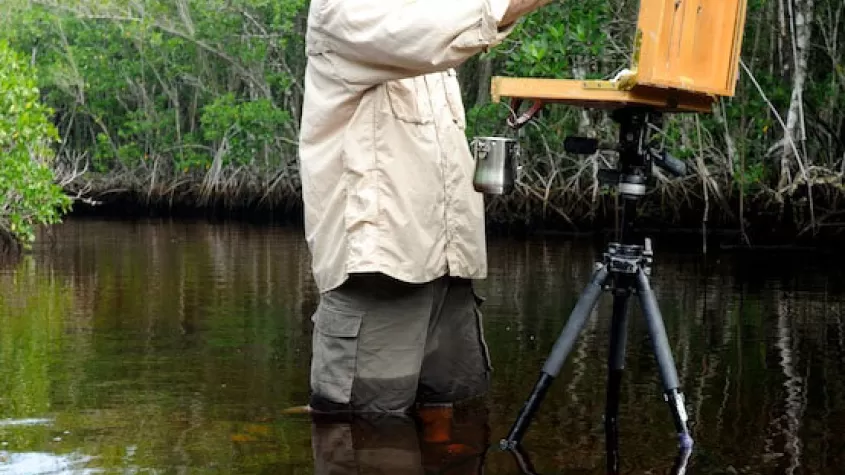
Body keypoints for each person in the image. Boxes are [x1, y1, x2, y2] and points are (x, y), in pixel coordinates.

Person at [297, 0, 555, 414]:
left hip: (446, 267)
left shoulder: (420, 17)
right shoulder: (341, 11)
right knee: (365, 434)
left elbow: (454, 24)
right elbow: (437, 33)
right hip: (381, 272)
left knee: (453, 425)